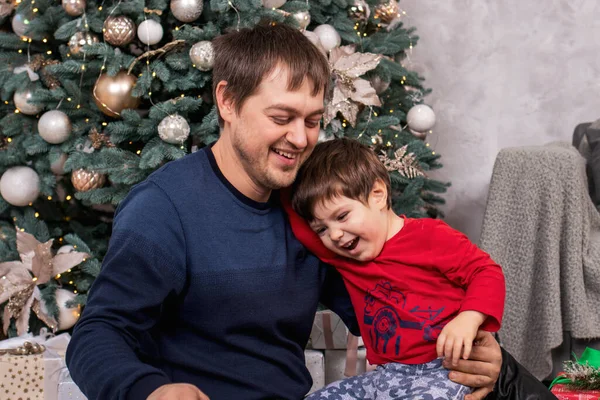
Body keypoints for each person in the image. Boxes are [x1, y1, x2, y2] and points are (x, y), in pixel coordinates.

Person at [66, 23, 552, 400]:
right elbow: (99, 332)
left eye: (313, 121)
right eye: (281, 118)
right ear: (228, 101)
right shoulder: (164, 209)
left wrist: (485, 356)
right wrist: (147, 391)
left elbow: (391, 299)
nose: (300, 139)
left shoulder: (312, 207)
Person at [283, 138, 505, 399]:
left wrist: (470, 318)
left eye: (342, 216)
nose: (335, 234)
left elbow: (486, 272)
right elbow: (296, 218)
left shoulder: (430, 236)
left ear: (377, 194)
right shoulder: (344, 257)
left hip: (442, 372)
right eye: (322, 229)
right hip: (385, 375)